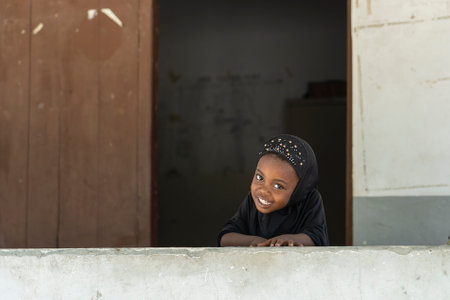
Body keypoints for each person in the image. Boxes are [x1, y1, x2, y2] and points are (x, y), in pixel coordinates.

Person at [218, 134, 329, 247]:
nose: (263, 191)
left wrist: (288, 239)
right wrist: (253, 241)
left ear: (300, 190)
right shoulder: (252, 200)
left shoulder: (309, 200)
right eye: (260, 178)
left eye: (278, 186)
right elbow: (225, 237)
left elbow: (317, 238)